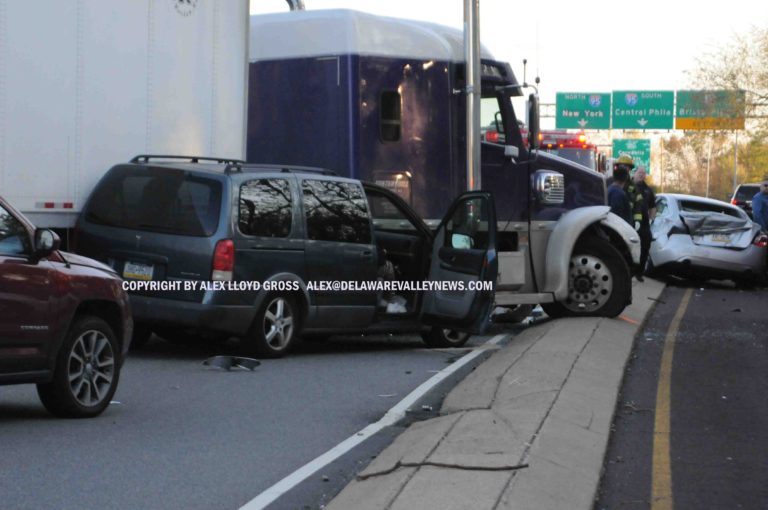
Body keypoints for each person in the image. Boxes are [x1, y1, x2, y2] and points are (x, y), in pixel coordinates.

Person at [633, 166, 656, 280]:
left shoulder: (648, 190)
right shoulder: (629, 186)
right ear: (634, 173)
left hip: (644, 224)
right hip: (630, 222)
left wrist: (652, 219)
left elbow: (652, 207)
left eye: (644, 173)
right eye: (640, 172)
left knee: (645, 247)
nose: (642, 174)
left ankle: (639, 272)